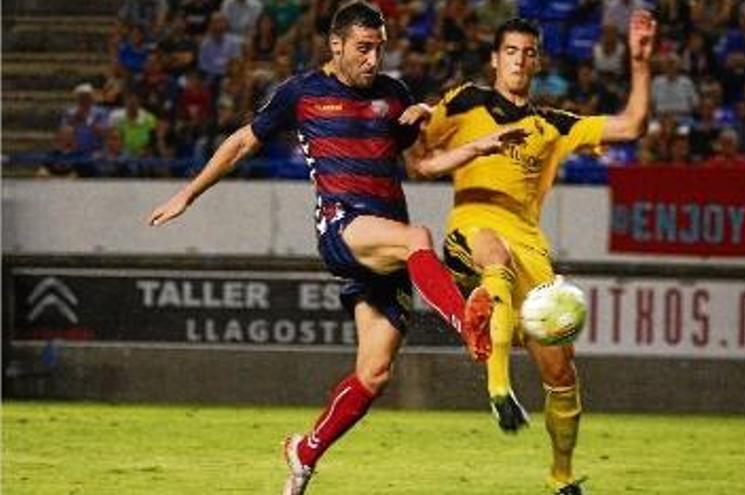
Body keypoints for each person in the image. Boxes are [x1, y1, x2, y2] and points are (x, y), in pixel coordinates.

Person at [146, 2, 512, 493]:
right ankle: (465, 322)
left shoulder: (393, 94)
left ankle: (304, 452)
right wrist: (187, 193)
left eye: (379, 48)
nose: (372, 59)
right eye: (363, 48)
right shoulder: (301, 93)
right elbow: (240, 143)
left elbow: (423, 165)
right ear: (336, 45)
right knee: (418, 239)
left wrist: (459, 141)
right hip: (344, 228)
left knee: (374, 373)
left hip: (389, 245)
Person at [404, 12, 656, 495]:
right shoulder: (466, 100)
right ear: (496, 59)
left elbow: (632, 126)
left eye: (528, 52)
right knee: (493, 257)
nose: (519, 60)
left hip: (532, 255)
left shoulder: (551, 126)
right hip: (471, 231)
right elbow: (421, 154)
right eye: (511, 51)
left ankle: (561, 477)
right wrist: (416, 114)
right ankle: (498, 387)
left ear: (537, 62)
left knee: (562, 373)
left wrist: (641, 64)